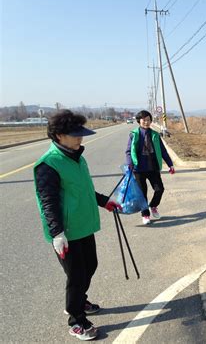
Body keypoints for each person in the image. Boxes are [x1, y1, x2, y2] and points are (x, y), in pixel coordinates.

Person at [34, 110, 121, 341]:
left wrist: (105, 201)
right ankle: (76, 319)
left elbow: (83, 190)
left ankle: (79, 301)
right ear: (59, 136)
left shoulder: (77, 156)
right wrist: (57, 234)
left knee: (90, 266)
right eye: (75, 135)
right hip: (66, 232)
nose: (80, 139)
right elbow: (48, 203)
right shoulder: (48, 164)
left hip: (83, 226)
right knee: (76, 275)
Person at [125, 110, 175, 225]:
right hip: (139, 169)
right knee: (142, 193)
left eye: (148, 120)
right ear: (139, 121)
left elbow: (163, 151)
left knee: (160, 189)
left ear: (151, 121)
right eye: (144, 120)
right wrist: (129, 164)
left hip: (153, 167)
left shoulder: (155, 135)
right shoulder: (134, 134)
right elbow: (128, 151)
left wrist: (170, 164)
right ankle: (145, 214)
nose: (146, 122)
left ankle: (153, 206)